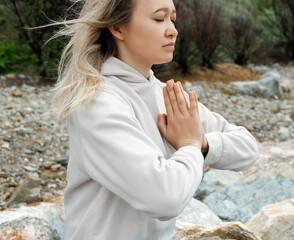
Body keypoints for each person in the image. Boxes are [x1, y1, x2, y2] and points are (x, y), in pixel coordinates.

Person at [49, 0, 258, 239]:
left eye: (173, 19)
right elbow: (165, 198)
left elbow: (248, 148)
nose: (173, 30)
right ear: (118, 28)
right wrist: (189, 146)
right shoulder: (96, 102)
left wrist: (201, 143)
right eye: (159, 19)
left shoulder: (163, 93)